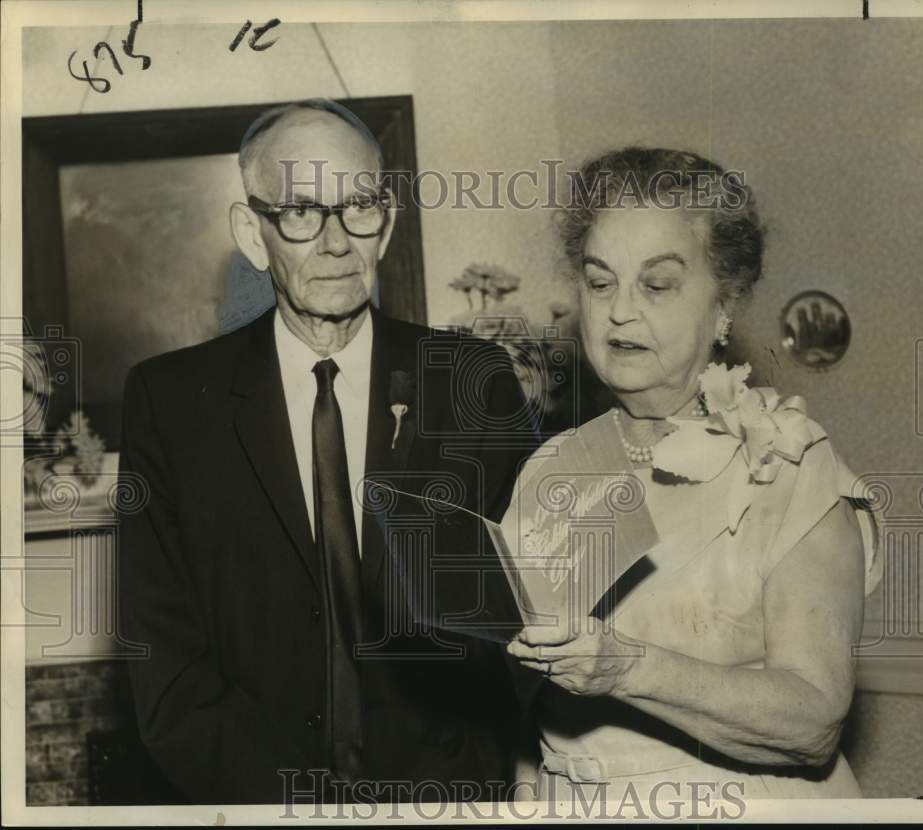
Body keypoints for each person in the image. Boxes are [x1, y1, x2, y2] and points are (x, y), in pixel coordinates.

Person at [118, 99, 538, 805]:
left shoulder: (473, 380)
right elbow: (166, 668)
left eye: (360, 207)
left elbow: (526, 614)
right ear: (254, 235)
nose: (337, 242)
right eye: (302, 213)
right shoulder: (168, 402)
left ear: (388, 223)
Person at [506, 147, 882, 801]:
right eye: (600, 282)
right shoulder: (553, 469)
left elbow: (814, 720)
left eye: (657, 284)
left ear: (724, 303)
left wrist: (626, 668)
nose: (620, 311)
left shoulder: (788, 465)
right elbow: (531, 717)